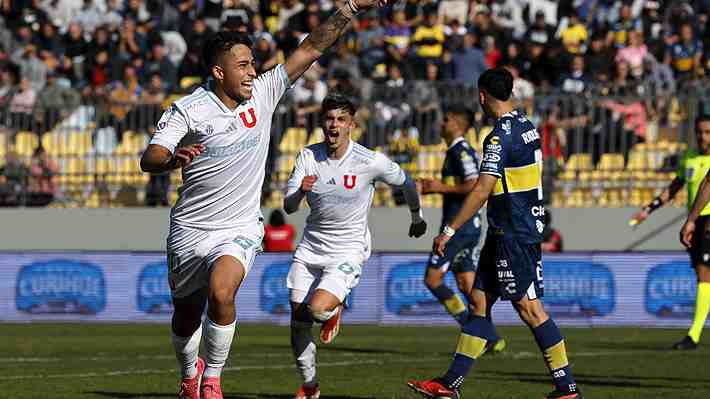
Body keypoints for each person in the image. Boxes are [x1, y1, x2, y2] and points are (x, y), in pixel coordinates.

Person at [139, 1, 389, 398]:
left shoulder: (264, 93)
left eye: (253, 63)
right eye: (243, 65)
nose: (253, 71)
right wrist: (171, 159)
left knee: (223, 292)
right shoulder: (188, 110)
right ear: (219, 72)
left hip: (237, 227)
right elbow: (149, 157)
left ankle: (213, 379)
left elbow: (310, 49)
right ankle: (190, 375)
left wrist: (350, 8)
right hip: (190, 228)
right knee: (186, 315)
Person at [407, 68, 582, 399]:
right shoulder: (527, 127)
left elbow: (483, 187)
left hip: (513, 234)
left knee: (530, 309)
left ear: (483, 95)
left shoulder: (500, 136)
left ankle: (567, 389)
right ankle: (449, 384)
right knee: (479, 301)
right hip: (509, 230)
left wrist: (449, 229)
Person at [284, 93, 427, 399]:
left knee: (317, 308)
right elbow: (289, 207)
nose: (333, 125)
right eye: (329, 119)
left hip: (348, 248)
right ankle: (310, 386)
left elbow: (407, 183)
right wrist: (300, 193)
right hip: (310, 248)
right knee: (298, 322)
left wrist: (417, 217)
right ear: (323, 123)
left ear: (352, 125)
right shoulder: (308, 157)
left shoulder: (369, 161)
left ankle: (334, 308)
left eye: (341, 119)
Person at [417, 106, 506, 353]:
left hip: (460, 228)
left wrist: (438, 188)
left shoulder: (461, 151)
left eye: (445, 118)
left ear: (457, 123)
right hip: (467, 228)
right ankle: (490, 337)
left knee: (433, 279)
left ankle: (476, 330)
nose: (441, 123)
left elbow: (474, 185)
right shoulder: (455, 151)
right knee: (468, 286)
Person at [633, 114, 710, 350]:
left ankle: (694, 335)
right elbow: (675, 187)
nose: (703, 136)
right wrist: (651, 207)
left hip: (705, 221)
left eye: (708, 132)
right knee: (702, 275)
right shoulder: (689, 157)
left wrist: (693, 220)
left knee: (705, 271)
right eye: (700, 131)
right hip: (695, 220)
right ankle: (694, 334)